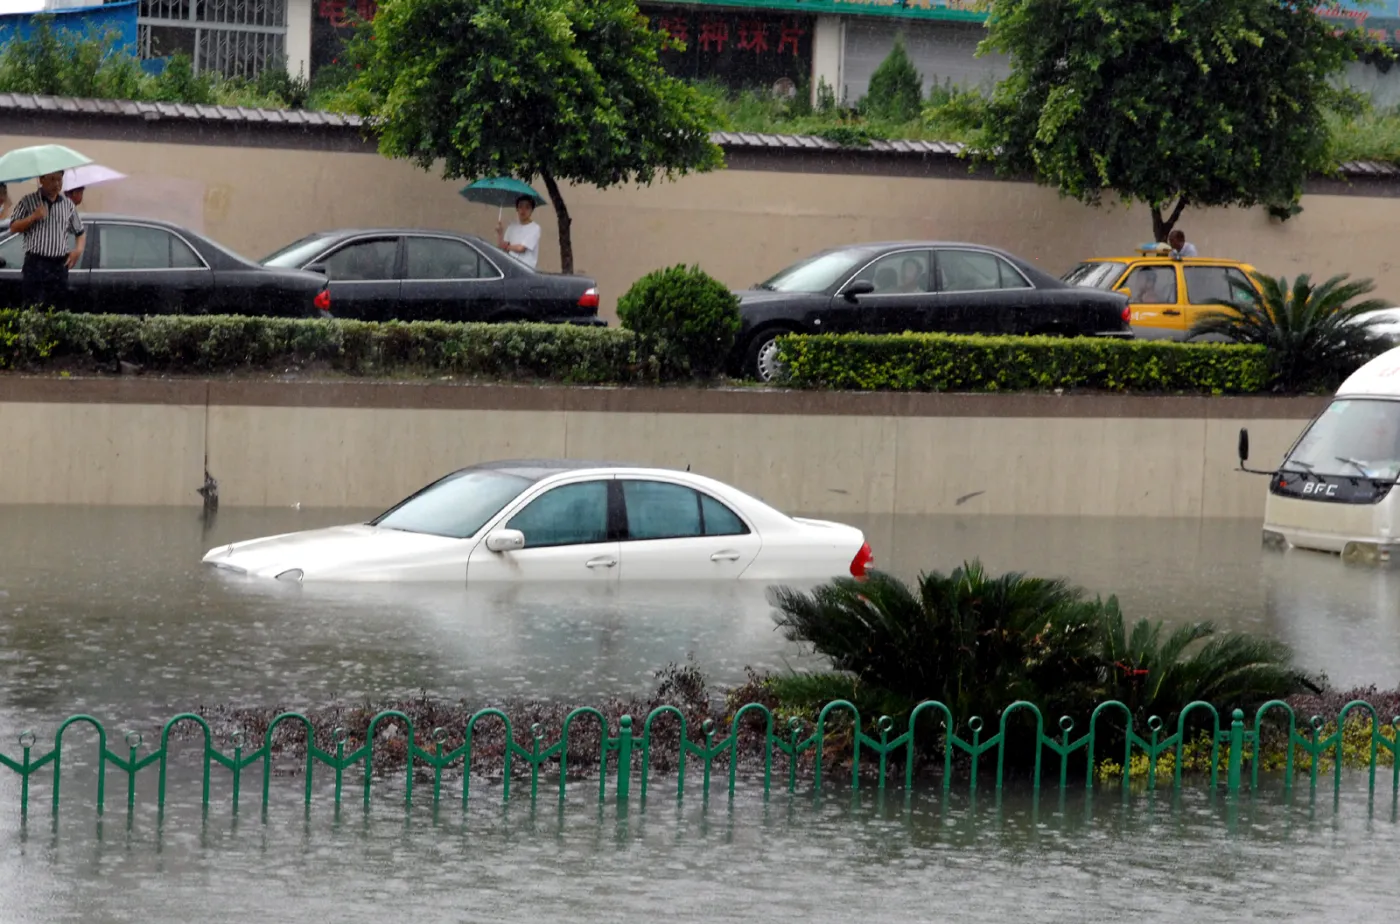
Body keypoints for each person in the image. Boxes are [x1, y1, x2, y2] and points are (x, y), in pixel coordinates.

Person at [7, 170, 86, 309]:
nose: (56, 184)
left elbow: (80, 231)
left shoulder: (68, 205)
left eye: (59, 180)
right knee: (33, 307)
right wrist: (33, 217)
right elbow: (13, 227)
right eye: (52, 179)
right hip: (36, 263)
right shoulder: (28, 201)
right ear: (42, 180)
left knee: (57, 308)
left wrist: (78, 250)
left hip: (59, 265)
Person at [496, 195, 542, 270]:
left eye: (527, 207)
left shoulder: (535, 228)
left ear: (532, 210)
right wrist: (500, 233)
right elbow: (502, 247)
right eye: (520, 206)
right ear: (517, 209)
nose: (523, 210)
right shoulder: (512, 226)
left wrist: (507, 247)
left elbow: (521, 248)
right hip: (511, 268)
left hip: (527, 270)